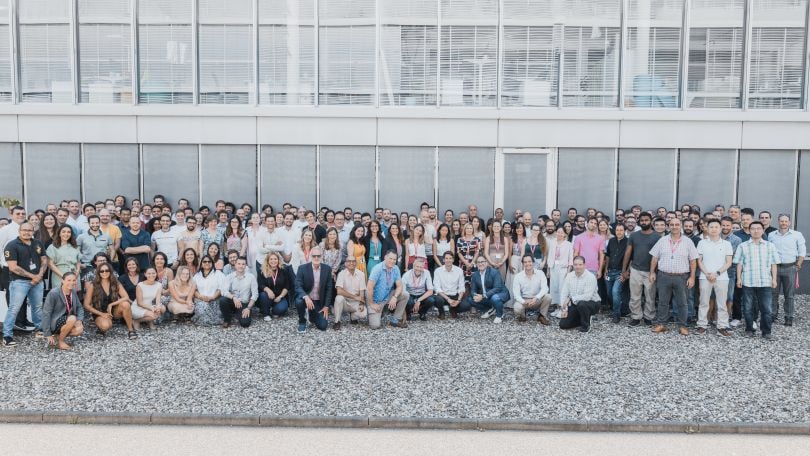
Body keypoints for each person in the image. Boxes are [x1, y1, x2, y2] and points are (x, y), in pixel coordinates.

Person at [649, 218, 699, 336]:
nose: (674, 226)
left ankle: (683, 326)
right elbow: (654, 258)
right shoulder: (662, 240)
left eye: (677, 224)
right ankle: (661, 324)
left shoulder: (688, 241)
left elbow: (693, 261)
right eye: (672, 224)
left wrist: (692, 277)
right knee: (662, 302)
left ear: (680, 226)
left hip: (681, 277)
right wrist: (652, 272)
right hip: (663, 276)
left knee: (682, 302)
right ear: (668, 226)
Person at [3, 222, 48, 345]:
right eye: (24, 230)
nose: (27, 232)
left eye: (30, 230)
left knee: (37, 307)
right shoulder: (11, 245)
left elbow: (44, 260)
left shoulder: (38, 243)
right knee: (14, 309)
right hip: (19, 282)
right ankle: (7, 336)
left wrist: (39, 276)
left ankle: (39, 329)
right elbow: (13, 267)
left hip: (37, 281)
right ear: (19, 230)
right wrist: (33, 276)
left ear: (33, 231)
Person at [734, 221, 780, 340]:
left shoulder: (770, 246)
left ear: (763, 230)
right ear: (749, 231)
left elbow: (774, 264)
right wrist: (739, 278)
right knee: (748, 307)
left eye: (758, 228)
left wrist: (774, 279)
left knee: (766, 308)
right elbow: (739, 264)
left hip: (765, 282)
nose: (756, 231)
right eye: (753, 229)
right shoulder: (743, 246)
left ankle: (766, 332)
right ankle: (749, 329)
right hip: (748, 281)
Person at [696, 219, 733, 336]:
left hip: (721, 277)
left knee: (722, 303)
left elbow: (728, 262)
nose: (714, 229)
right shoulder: (702, 243)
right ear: (707, 228)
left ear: (720, 228)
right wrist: (707, 273)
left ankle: (722, 326)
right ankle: (702, 325)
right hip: (704, 277)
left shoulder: (726, 244)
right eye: (711, 227)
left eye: (716, 227)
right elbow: (699, 261)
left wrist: (717, 273)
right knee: (703, 302)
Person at [767, 214, 805, 326]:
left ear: (789, 222)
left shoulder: (797, 235)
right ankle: (773, 314)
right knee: (773, 293)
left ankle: (789, 316)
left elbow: (802, 251)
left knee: (789, 295)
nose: (783, 223)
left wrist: (798, 264)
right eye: (781, 221)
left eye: (786, 221)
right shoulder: (771, 235)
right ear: (778, 222)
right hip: (775, 268)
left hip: (790, 268)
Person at [622, 212, 659, 326]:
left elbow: (659, 255)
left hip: (650, 271)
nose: (644, 222)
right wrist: (624, 270)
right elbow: (628, 253)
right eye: (642, 220)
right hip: (635, 270)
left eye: (646, 220)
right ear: (639, 221)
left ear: (651, 221)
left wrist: (656, 272)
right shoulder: (634, 235)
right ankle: (636, 317)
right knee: (635, 296)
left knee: (650, 296)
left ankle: (649, 317)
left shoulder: (657, 237)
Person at [83, 263, 138, 339]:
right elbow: (86, 305)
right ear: (99, 273)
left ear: (110, 271)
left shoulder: (115, 283)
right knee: (105, 326)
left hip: (113, 310)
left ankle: (131, 330)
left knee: (126, 304)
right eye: (102, 271)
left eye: (107, 270)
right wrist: (101, 314)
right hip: (99, 312)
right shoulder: (93, 285)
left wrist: (111, 304)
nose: (104, 272)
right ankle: (101, 327)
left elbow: (126, 297)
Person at [294, 247, 333, 333]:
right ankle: (302, 321)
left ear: (321, 257)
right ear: (310, 257)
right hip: (306, 299)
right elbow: (297, 285)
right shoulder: (302, 268)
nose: (316, 258)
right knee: (299, 301)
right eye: (314, 256)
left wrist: (326, 306)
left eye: (318, 256)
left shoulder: (327, 269)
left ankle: (311, 315)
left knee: (323, 326)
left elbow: (329, 289)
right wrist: (305, 296)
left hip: (319, 302)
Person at [366, 250, 409, 329]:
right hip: (376, 300)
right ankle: (374, 312)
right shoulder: (377, 268)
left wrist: (395, 297)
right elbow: (369, 287)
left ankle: (395, 320)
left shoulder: (395, 268)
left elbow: (399, 286)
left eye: (394, 259)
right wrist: (371, 304)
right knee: (375, 326)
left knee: (405, 294)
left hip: (387, 296)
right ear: (385, 257)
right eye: (390, 258)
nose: (392, 261)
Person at [42, 272, 84, 350]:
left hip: (67, 320)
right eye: (69, 280)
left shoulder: (73, 292)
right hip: (55, 322)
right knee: (72, 318)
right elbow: (46, 313)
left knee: (79, 329)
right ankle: (60, 342)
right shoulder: (54, 293)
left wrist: (80, 320)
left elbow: (80, 308)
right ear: (62, 281)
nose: (72, 283)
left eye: (74, 280)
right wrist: (47, 333)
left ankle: (59, 336)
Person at [559, 256, 602, 333]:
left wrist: (571, 298)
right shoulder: (569, 276)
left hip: (592, 303)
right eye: (575, 264)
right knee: (563, 325)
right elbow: (564, 293)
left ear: (584, 265)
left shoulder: (590, 277)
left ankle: (586, 325)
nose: (577, 267)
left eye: (580, 264)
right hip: (575, 303)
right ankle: (582, 318)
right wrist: (564, 309)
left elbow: (587, 297)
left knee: (582, 304)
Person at [599, 223, 629, 324]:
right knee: (609, 293)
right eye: (617, 230)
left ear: (624, 231)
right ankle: (619, 309)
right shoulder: (611, 241)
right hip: (610, 271)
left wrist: (626, 272)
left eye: (621, 230)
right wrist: (606, 268)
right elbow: (607, 256)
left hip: (620, 272)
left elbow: (631, 259)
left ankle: (616, 315)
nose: (619, 232)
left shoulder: (628, 242)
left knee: (615, 292)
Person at [468, 257, 510, 324]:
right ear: (476, 264)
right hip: (487, 296)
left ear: (486, 263)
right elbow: (473, 289)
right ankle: (490, 310)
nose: (480, 264)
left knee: (495, 298)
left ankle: (499, 315)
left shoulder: (494, 272)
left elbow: (497, 288)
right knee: (471, 299)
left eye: (482, 262)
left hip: (500, 294)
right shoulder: (475, 275)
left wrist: (483, 296)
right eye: (478, 262)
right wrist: (475, 295)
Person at [511, 254, 552, 324]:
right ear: (522, 264)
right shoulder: (518, 276)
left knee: (548, 297)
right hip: (524, 300)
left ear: (533, 262)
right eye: (525, 262)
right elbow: (516, 294)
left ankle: (542, 316)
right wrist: (524, 301)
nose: (527, 264)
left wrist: (536, 298)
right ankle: (522, 316)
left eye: (529, 261)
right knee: (517, 308)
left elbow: (545, 288)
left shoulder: (540, 273)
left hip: (536, 299)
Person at [332, 256, 367, 330]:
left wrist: (361, 303)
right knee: (339, 298)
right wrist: (355, 297)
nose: (351, 263)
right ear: (345, 263)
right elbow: (339, 291)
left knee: (363, 314)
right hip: (344, 302)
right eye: (349, 261)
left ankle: (353, 317)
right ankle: (337, 321)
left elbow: (362, 291)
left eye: (353, 261)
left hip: (355, 302)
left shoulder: (361, 274)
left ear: (356, 263)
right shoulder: (341, 274)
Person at [433, 251, 468, 319]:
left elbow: (461, 287)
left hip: (454, 295)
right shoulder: (438, 271)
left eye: (450, 258)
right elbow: (437, 288)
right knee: (437, 299)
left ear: (453, 260)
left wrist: (458, 300)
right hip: (443, 296)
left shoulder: (459, 270)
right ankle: (441, 312)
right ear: (443, 260)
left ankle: (453, 309)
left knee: (466, 305)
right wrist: (448, 299)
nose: (448, 260)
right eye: (446, 258)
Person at [191, 255, 224, 326]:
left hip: (214, 300)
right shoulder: (197, 275)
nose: (207, 263)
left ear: (212, 263)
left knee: (208, 309)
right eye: (204, 261)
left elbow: (221, 289)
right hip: (200, 299)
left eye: (209, 261)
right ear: (201, 264)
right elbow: (194, 289)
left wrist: (212, 297)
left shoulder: (218, 274)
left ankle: (209, 320)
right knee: (203, 308)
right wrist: (200, 297)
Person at [256, 252, 290, 320]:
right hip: (266, 296)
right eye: (271, 259)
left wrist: (280, 296)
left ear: (278, 260)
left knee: (282, 308)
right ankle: (266, 314)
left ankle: (274, 311)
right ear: (268, 261)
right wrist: (268, 290)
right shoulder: (262, 270)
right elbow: (260, 284)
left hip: (279, 297)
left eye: (275, 259)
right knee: (263, 295)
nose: (273, 261)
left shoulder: (284, 270)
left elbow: (287, 286)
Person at [46, 225, 81, 290]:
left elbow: (78, 262)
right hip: (60, 275)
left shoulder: (75, 246)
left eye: (68, 232)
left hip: (74, 275)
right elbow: (50, 264)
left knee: (73, 297)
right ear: (59, 233)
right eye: (63, 232)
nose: (66, 234)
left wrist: (77, 272)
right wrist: (63, 276)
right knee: (60, 296)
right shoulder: (53, 247)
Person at [131, 267, 166, 331]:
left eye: (153, 273)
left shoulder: (159, 285)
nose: (151, 275)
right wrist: (151, 308)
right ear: (145, 274)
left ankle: (149, 320)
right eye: (149, 273)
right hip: (138, 307)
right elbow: (139, 303)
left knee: (162, 308)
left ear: (156, 274)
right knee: (154, 315)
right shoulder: (140, 285)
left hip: (149, 306)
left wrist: (158, 306)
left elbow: (158, 300)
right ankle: (136, 321)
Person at [548, 226, 574, 310]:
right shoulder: (552, 242)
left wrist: (568, 271)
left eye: (562, 232)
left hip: (563, 268)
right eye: (558, 232)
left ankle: (562, 307)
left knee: (562, 287)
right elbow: (549, 256)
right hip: (553, 267)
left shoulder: (568, 244)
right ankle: (556, 306)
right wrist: (548, 269)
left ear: (565, 234)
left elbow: (571, 259)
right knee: (554, 287)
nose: (559, 234)